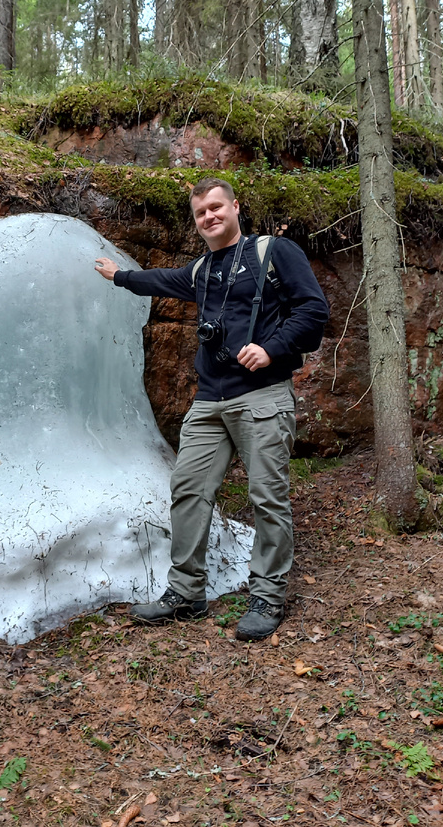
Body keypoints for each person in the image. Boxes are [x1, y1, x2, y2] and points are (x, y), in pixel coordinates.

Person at [94, 177, 329, 641]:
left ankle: (267, 595)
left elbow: (313, 311)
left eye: (217, 207)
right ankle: (186, 592)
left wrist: (272, 348)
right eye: (201, 212)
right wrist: (119, 276)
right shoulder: (202, 270)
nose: (210, 217)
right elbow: (159, 280)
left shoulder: (275, 252)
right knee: (187, 490)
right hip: (209, 399)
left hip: (261, 396)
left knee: (268, 496)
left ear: (235, 207)